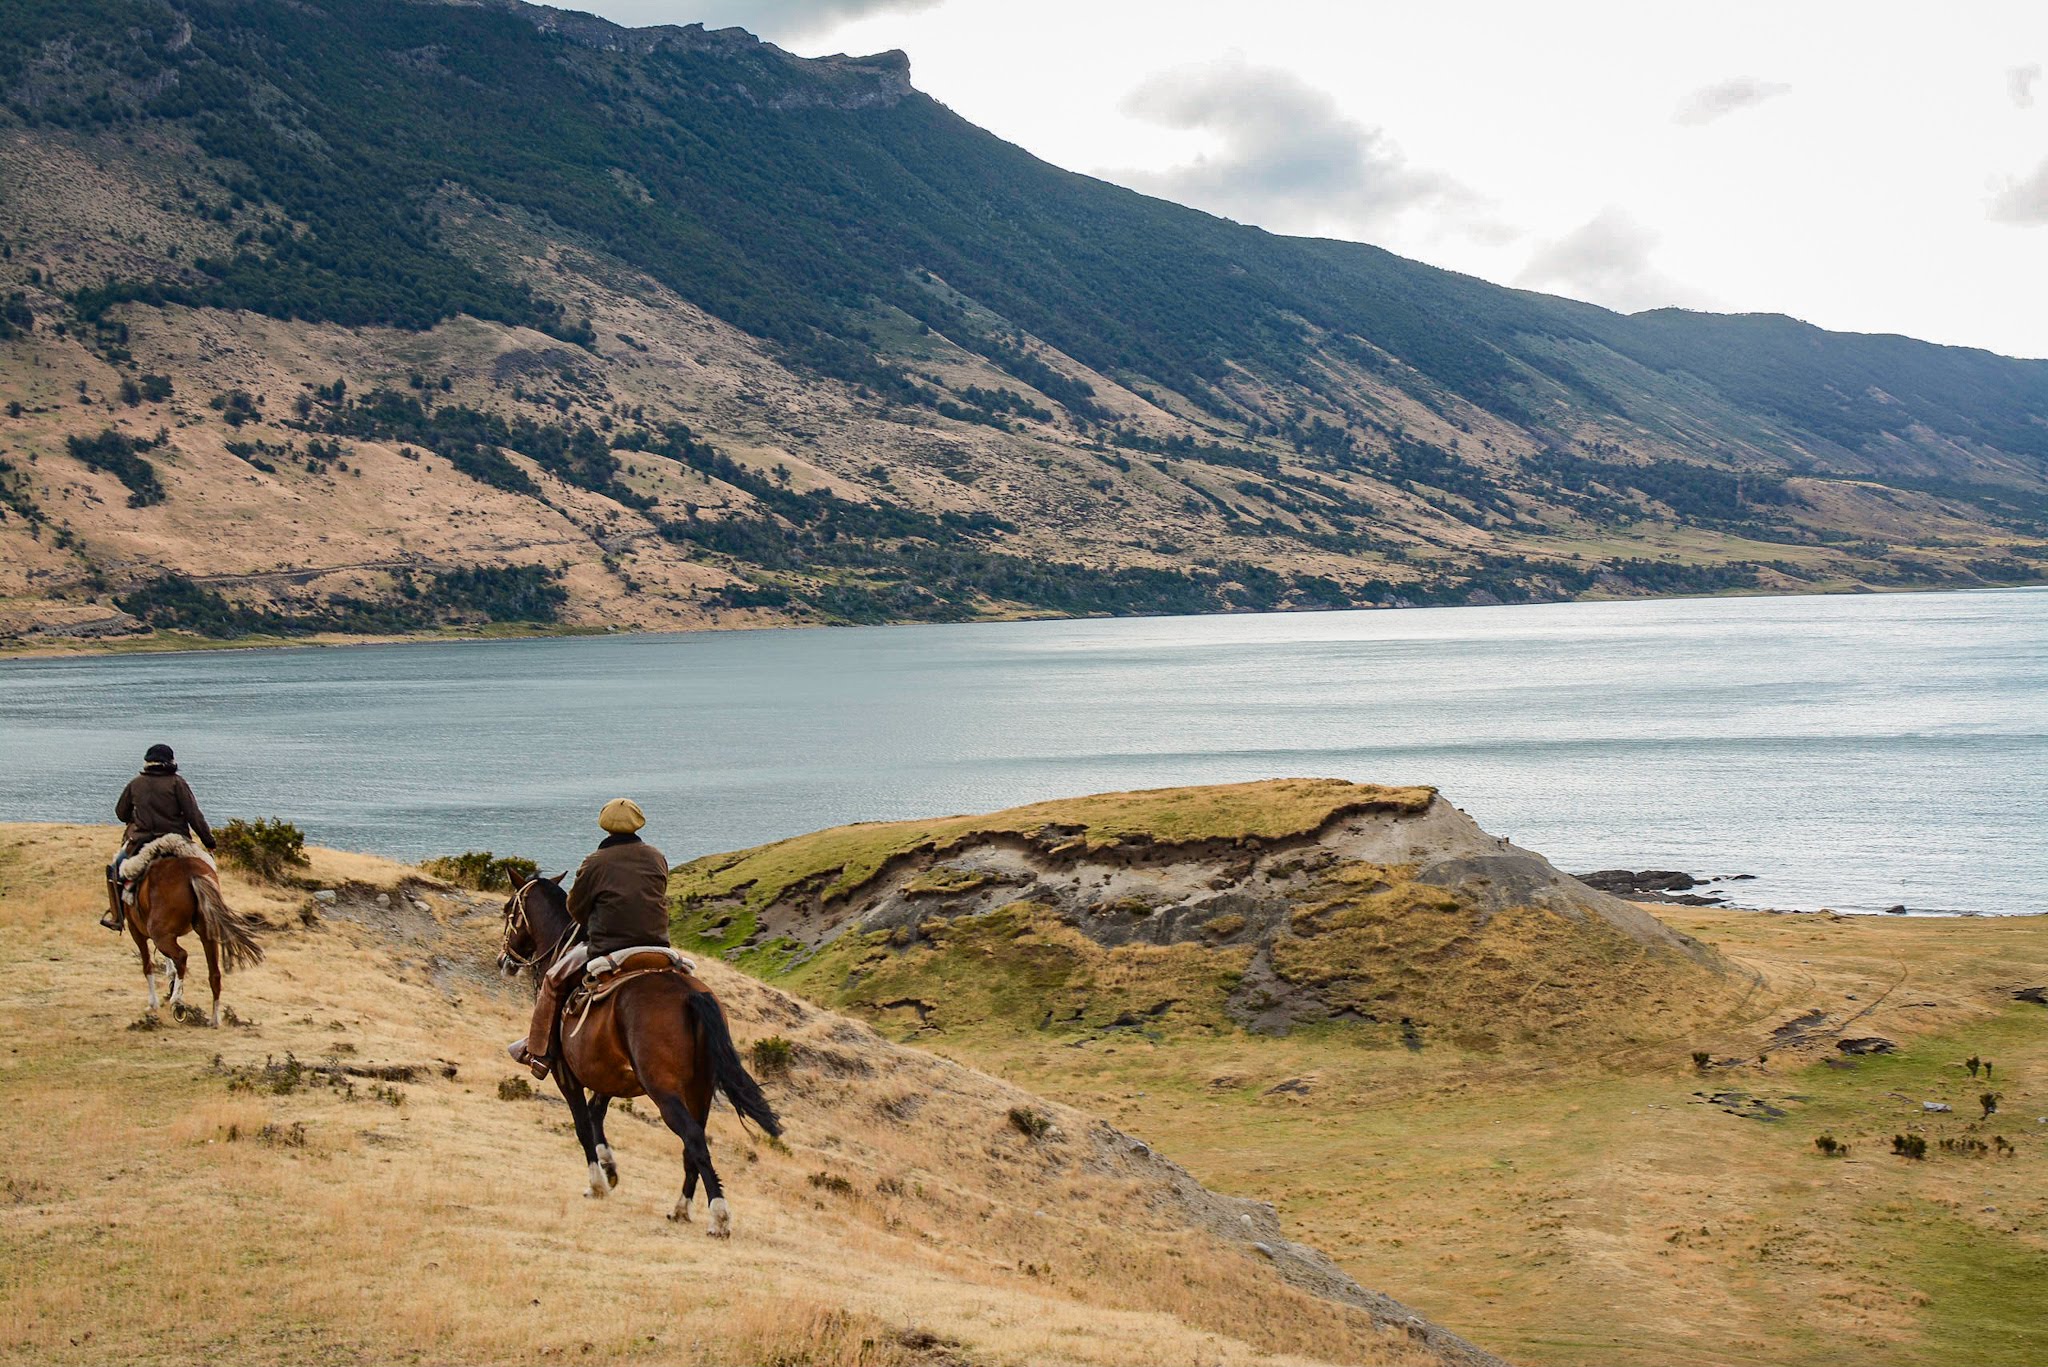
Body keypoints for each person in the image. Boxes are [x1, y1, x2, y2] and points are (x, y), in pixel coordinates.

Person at [510, 798, 671, 1079]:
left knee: (552, 981)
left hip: (609, 946)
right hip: (657, 943)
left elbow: (574, 908)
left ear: (605, 826)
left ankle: (538, 1055)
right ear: (638, 824)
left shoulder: (595, 862)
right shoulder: (657, 856)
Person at [105, 743, 217, 932]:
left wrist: (136, 817)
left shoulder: (135, 783)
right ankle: (215, 913)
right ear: (171, 762)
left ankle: (118, 917)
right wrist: (209, 841)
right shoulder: (177, 783)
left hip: (142, 842)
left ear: (148, 762)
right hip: (177, 842)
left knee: (115, 868)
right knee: (208, 868)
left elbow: (120, 813)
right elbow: (194, 815)